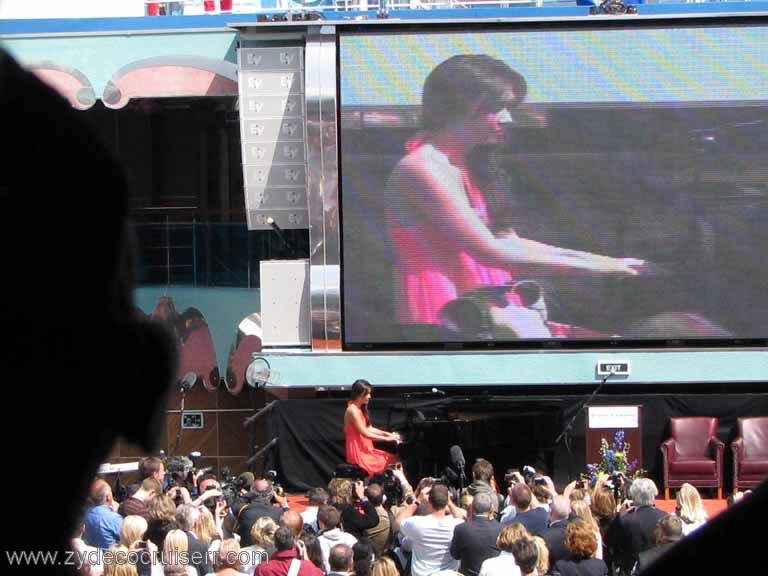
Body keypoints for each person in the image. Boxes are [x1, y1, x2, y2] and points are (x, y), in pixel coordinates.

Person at [385, 54, 644, 333]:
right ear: (456, 107)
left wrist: (610, 262)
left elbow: (510, 241)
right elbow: (492, 252)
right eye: (497, 107)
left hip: (480, 296)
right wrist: (600, 270)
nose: (508, 118)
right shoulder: (421, 168)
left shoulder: (466, 164)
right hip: (445, 302)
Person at [396, 483, 466, 576]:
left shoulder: (417, 524)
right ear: (447, 500)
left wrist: (417, 501)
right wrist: (450, 503)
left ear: (429, 500)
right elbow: (463, 519)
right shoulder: (456, 525)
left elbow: (398, 522)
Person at [344, 379, 401, 476]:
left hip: (365, 449)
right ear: (360, 394)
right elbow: (365, 433)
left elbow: (369, 428)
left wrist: (386, 433)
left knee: (394, 460)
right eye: (367, 394)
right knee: (392, 461)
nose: (370, 397)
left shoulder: (359, 409)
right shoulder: (352, 410)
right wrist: (387, 439)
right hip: (359, 452)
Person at [450, 492, 502, 576]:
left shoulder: (461, 529)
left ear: (472, 509)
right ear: (491, 509)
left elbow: (455, 555)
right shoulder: (501, 529)